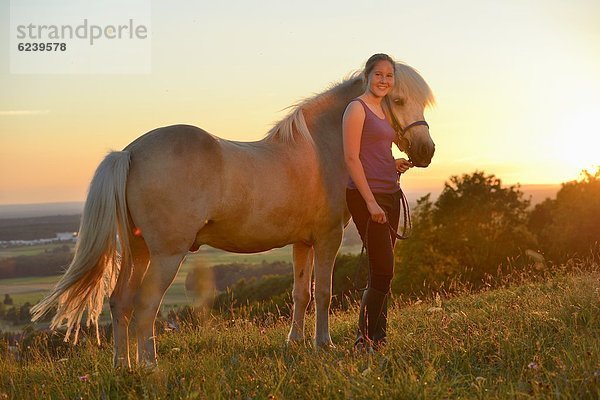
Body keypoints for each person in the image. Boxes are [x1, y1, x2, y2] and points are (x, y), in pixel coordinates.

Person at [343, 53, 412, 351]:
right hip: (365, 196)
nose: (384, 80)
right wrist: (370, 203)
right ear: (367, 75)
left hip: (390, 192)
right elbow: (351, 158)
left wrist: (393, 162)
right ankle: (365, 340)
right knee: (383, 269)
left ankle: (376, 338)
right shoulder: (356, 109)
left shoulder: (383, 109)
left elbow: (377, 150)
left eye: (389, 76)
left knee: (383, 271)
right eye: (379, 74)